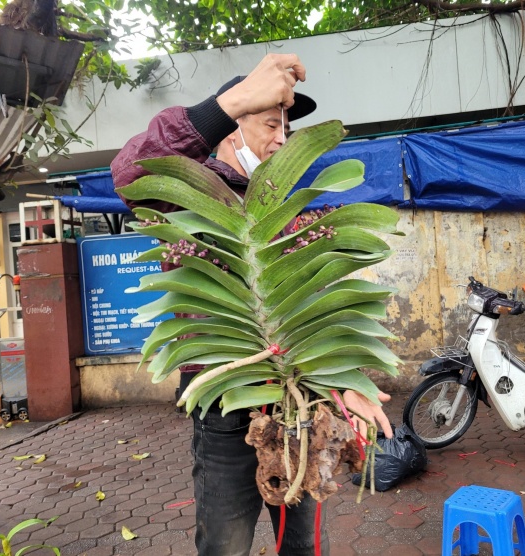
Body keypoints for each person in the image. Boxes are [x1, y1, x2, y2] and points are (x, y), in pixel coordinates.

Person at [111, 53, 393, 556]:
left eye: (288, 129)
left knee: (303, 543)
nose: (282, 138)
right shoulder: (189, 194)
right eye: (269, 123)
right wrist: (233, 98)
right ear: (230, 127)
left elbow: (318, 303)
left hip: (302, 402)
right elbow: (130, 174)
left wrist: (348, 381)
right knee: (226, 544)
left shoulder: (288, 211)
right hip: (224, 405)